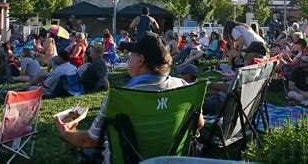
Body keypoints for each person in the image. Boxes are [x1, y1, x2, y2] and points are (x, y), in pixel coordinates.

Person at [55, 31, 203, 156]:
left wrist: (65, 132)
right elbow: (200, 123)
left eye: (130, 55)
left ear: (140, 60)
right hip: (169, 158)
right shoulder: (184, 87)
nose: (128, 60)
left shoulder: (120, 97)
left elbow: (90, 140)